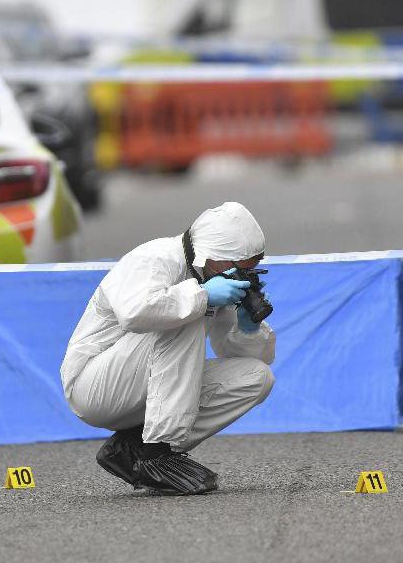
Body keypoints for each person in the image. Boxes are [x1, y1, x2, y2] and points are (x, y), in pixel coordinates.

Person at [60, 202, 275, 496]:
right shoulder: (154, 258)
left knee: (257, 377)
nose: (242, 277)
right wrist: (201, 297)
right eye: (238, 268)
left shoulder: (211, 277)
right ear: (209, 256)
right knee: (184, 317)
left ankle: (133, 448)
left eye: (251, 269)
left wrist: (248, 328)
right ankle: (155, 455)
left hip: (140, 394)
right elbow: (135, 313)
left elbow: (246, 358)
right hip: (94, 387)